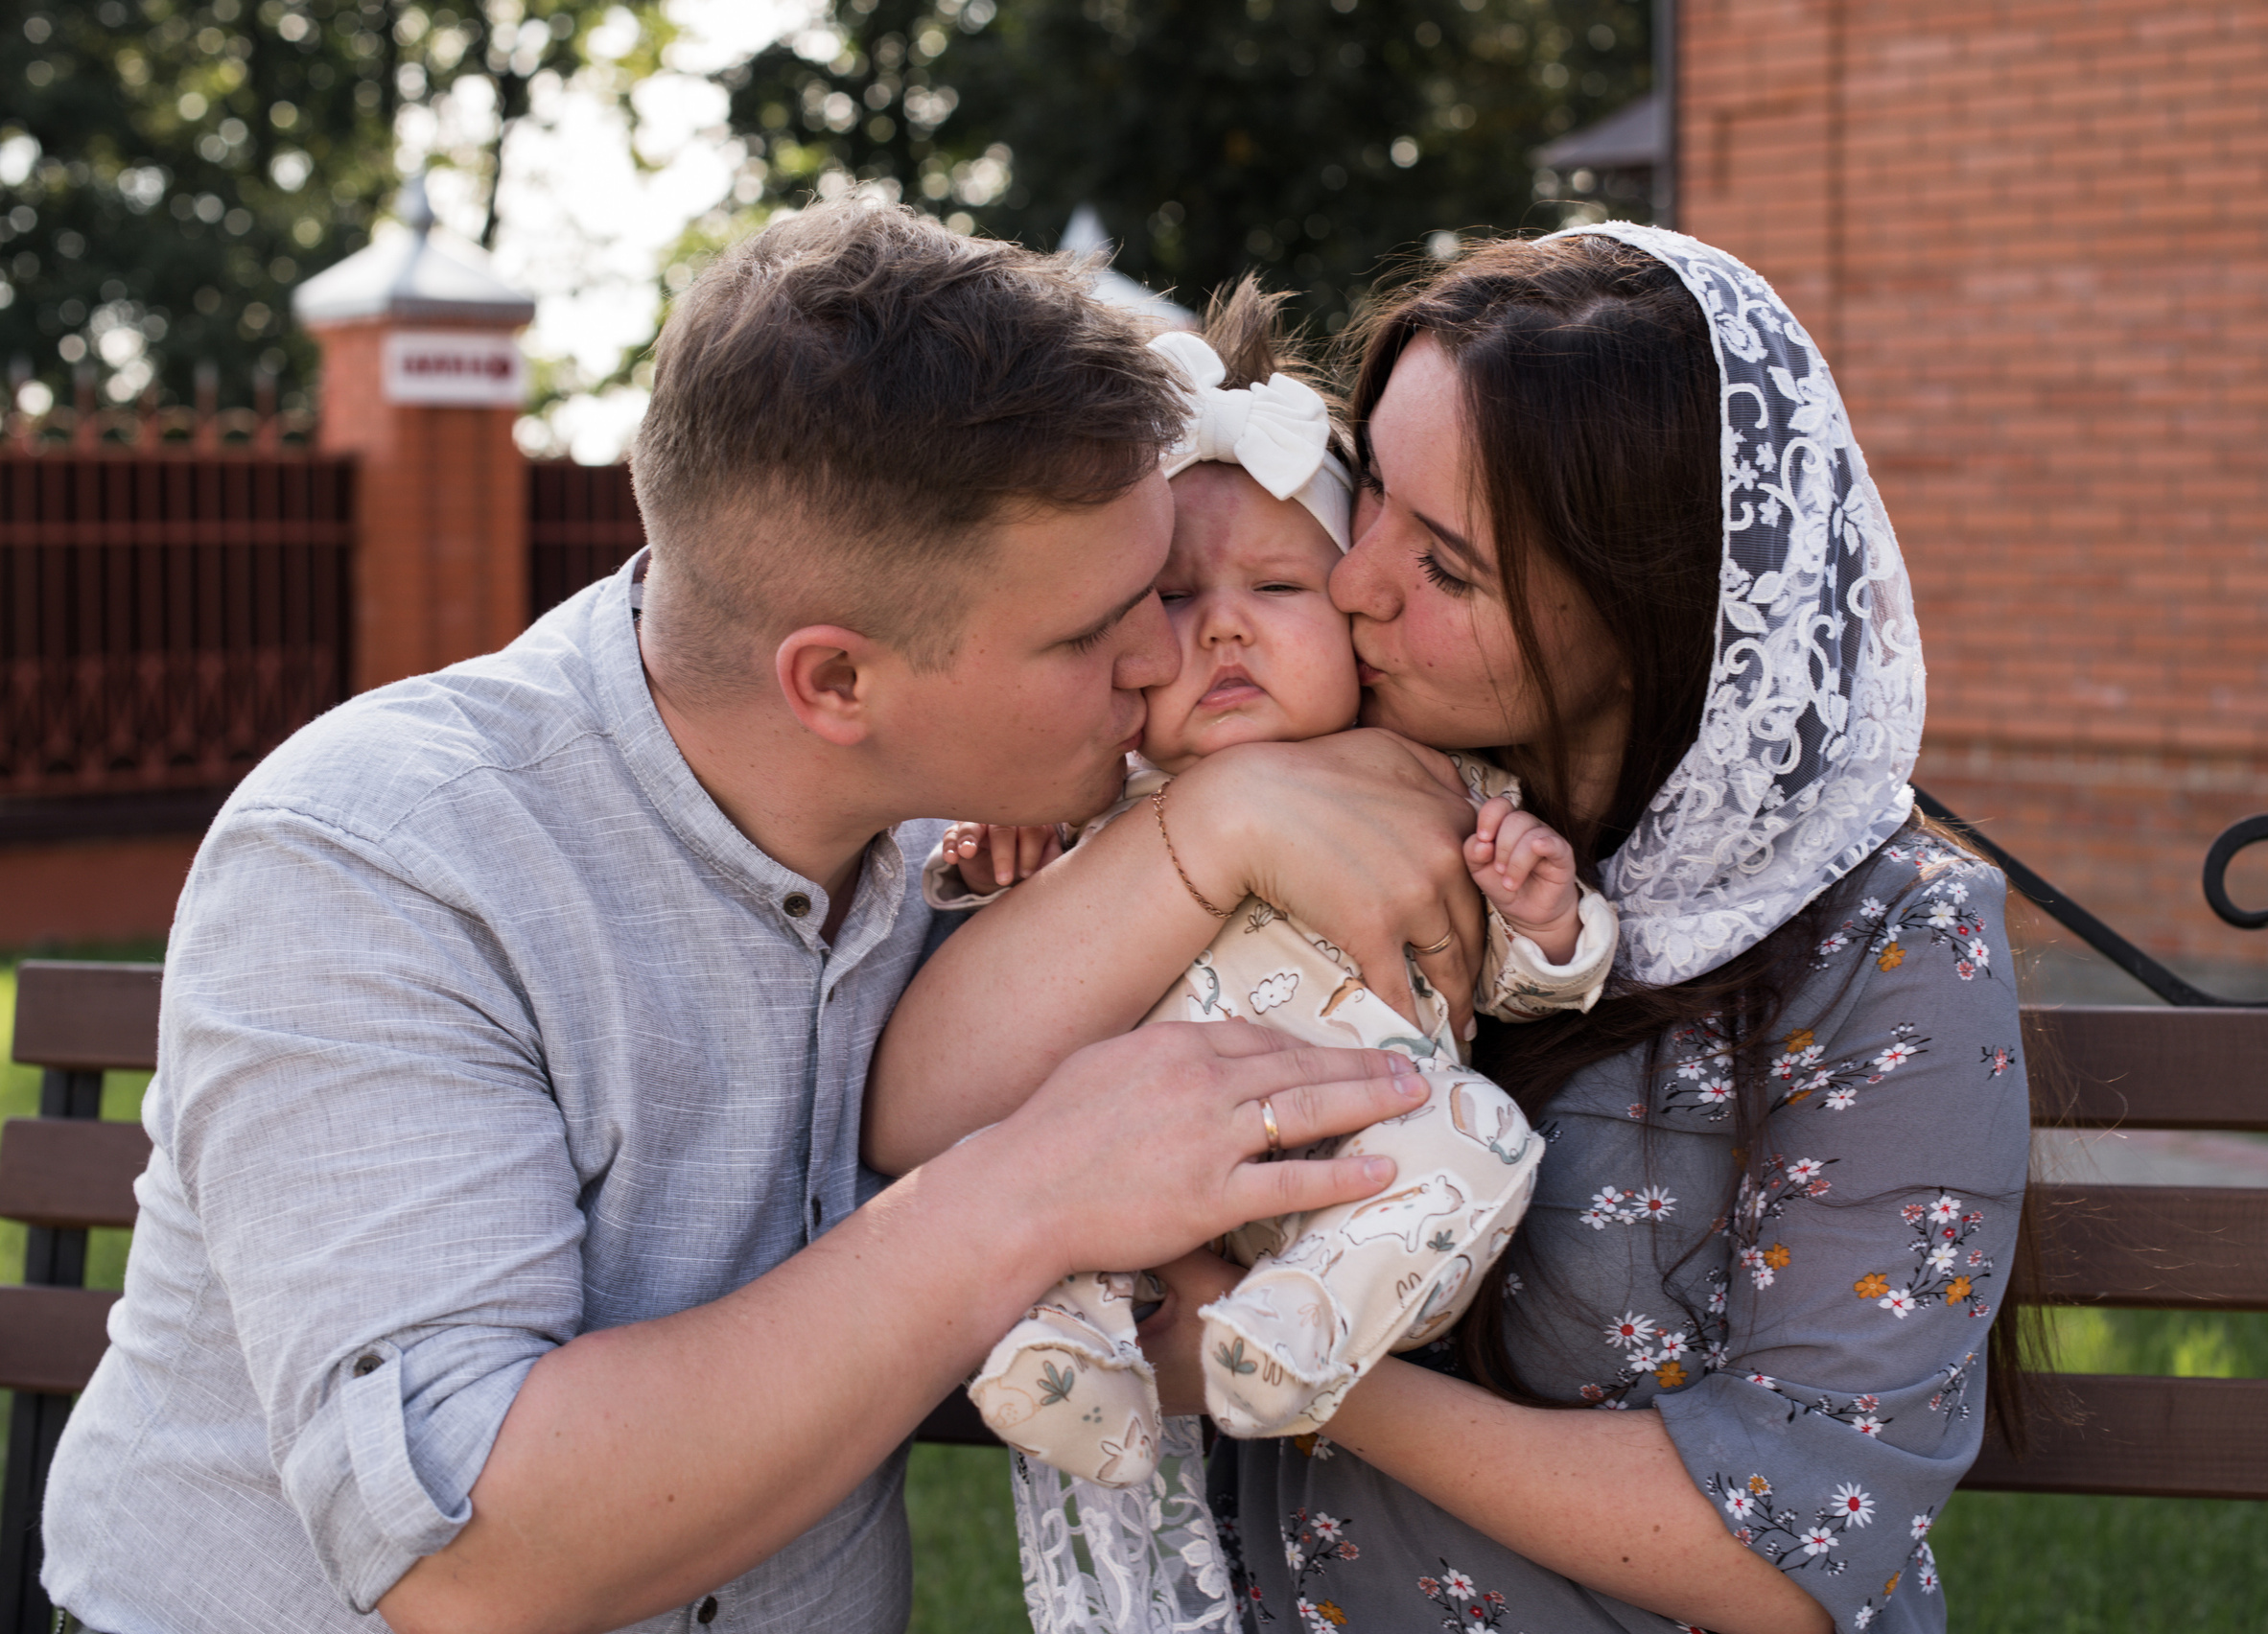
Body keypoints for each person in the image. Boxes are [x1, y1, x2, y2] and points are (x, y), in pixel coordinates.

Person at [37, 204, 1478, 1634]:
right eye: (1095, 626)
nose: (1166, 653)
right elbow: (468, 1550)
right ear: (835, 685)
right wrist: (1029, 1188)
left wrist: (1236, 806)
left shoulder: (994, 825)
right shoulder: (379, 863)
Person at [868, 223, 2030, 1634]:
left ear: (1650, 616)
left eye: (1449, 568)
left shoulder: (1886, 941)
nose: (1354, 585)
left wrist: (1289, 1370)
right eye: (1373, 509)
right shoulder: (1284, 789)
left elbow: (1784, 1544)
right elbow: (921, 1114)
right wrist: (1217, 823)